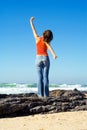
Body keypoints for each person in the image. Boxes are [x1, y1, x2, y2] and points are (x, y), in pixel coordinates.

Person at [30, 17, 57, 97]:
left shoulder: (37, 38)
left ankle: (40, 95)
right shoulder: (46, 41)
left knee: (39, 77)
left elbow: (33, 30)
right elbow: (50, 48)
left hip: (38, 58)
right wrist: (54, 55)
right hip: (45, 58)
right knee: (45, 77)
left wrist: (31, 22)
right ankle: (46, 95)